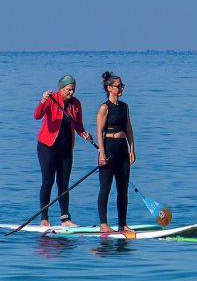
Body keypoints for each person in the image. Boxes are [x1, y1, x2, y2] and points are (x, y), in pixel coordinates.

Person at [34, 74, 94, 228]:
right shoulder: (51, 99)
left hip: (66, 148)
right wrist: (42, 100)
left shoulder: (76, 103)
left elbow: (78, 125)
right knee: (48, 181)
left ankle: (65, 218)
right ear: (61, 89)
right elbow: (37, 115)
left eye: (73, 90)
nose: (71, 92)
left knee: (64, 183)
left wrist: (85, 134)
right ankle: (44, 218)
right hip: (47, 146)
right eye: (69, 89)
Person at [96, 71, 136, 234]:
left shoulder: (125, 107)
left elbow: (128, 128)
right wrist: (102, 153)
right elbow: (99, 131)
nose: (121, 89)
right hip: (109, 146)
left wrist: (132, 148)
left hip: (122, 148)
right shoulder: (104, 108)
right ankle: (103, 224)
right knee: (105, 187)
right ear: (110, 88)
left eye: (122, 86)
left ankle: (122, 224)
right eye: (119, 86)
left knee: (123, 189)